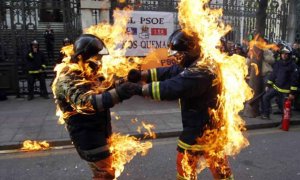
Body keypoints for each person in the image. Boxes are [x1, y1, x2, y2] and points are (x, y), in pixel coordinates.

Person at [127, 29, 233, 179]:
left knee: (185, 168)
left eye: (179, 55)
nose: (177, 59)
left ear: (191, 51)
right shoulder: (201, 62)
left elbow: (173, 87)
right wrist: (142, 75)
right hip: (211, 128)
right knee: (221, 169)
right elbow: (172, 71)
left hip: (199, 130)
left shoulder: (200, 71)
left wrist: (139, 89)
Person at [52, 34, 141, 179]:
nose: (98, 62)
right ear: (81, 57)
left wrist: (125, 81)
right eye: (95, 58)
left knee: (106, 174)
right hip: (88, 137)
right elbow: (85, 103)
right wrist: (119, 94)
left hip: (100, 133)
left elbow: (104, 88)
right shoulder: (66, 78)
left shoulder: (88, 73)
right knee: (105, 175)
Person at [261, 45, 299, 119]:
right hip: (276, 88)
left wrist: (292, 93)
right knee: (266, 97)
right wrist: (268, 85)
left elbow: (294, 80)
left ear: (289, 55)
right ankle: (266, 114)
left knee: (284, 106)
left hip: (285, 91)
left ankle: (285, 120)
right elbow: (273, 74)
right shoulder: (278, 63)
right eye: (283, 54)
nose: (284, 55)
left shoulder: (293, 66)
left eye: (286, 54)